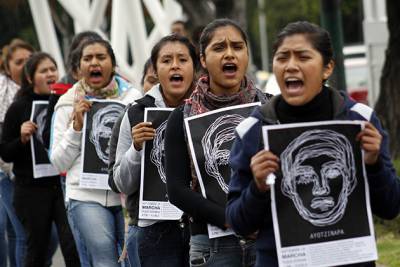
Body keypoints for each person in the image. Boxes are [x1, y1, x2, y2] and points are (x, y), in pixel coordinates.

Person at [226, 21, 400, 267]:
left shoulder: (360, 121)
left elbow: (391, 207)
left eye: (303, 57)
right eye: (282, 57)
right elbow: (238, 223)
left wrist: (373, 165)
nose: (291, 66)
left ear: (327, 67)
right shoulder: (253, 130)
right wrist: (257, 188)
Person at [164, 19, 269, 267]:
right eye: (219, 48)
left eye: (237, 46)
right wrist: (233, 220)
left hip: (266, 237)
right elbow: (176, 191)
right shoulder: (181, 117)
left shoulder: (271, 110)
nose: (229, 54)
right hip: (212, 246)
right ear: (203, 59)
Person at [49, 39, 141, 267]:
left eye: (101, 57)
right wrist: (76, 128)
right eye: (87, 58)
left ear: (112, 63)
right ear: (78, 67)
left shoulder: (133, 98)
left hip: (127, 193)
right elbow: (58, 162)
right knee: (105, 262)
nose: (94, 63)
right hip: (85, 195)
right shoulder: (66, 102)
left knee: (134, 261)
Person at [112, 34, 198, 267]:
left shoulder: (209, 111)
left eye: (182, 59)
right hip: (155, 231)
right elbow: (121, 184)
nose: (175, 66)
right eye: (166, 60)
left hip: (203, 228)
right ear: (155, 69)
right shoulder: (135, 113)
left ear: (194, 66)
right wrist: (136, 148)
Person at [0, 52, 80, 267]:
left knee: (72, 246)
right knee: (37, 250)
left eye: (53, 69)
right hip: (31, 190)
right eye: (43, 70)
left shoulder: (66, 101)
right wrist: (22, 139)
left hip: (62, 187)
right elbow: (5, 152)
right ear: (30, 78)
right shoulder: (18, 107)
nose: (50, 74)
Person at [0, 39, 34, 267]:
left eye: (29, 60)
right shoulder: (4, 92)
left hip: (34, 172)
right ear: (7, 67)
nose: (25, 65)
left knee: (16, 233)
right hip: (9, 172)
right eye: (19, 62)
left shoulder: (38, 87)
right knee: (24, 233)